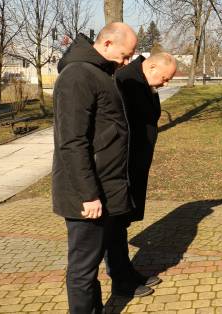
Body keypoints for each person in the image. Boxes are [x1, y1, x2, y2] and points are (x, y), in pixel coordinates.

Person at [52, 23, 139, 314]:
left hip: (104, 187)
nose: (127, 63)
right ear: (108, 44)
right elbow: (72, 141)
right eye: (125, 56)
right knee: (83, 269)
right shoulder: (77, 75)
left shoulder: (100, 73)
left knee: (91, 263)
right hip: (87, 194)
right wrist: (88, 194)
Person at [104, 52, 177, 290]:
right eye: (165, 78)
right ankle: (120, 278)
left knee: (122, 222)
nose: (165, 84)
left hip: (134, 163)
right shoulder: (127, 80)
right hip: (122, 165)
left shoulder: (141, 80)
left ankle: (126, 271)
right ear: (152, 66)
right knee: (115, 223)